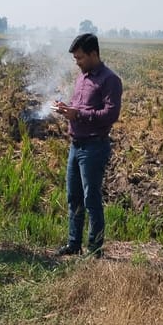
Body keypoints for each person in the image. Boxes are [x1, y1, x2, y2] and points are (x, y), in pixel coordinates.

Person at [53, 32, 122, 258]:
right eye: (75, 58)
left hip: (94, 147)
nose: (77, 62)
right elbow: (78, 107)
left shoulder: (110, 80)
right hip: (76, 145)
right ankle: (74, 244)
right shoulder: (81, 78)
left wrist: (79, 115)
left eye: (80, 58)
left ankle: (94, 249)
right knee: (73, 198)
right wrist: (66, 109)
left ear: (93, 54)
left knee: (91, 199)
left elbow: (110, 114)